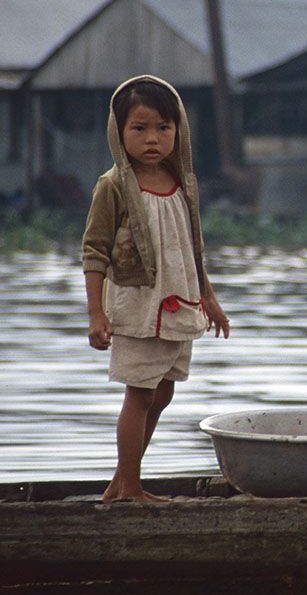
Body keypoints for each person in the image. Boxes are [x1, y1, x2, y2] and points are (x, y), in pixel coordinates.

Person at [82, 74, 229, 504]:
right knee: (140, 393)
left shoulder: (182, 182)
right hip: (137, 306)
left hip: (179, 303)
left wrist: (210, 300)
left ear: (178, 130)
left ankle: (120, 481)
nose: (152, 139)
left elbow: (192, 249)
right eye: (139, 128)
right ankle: (131, 486)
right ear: (119, 131)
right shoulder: (113, 187)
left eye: (163, 128)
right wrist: (96, 313)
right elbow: (94, 252)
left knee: (162, 391)